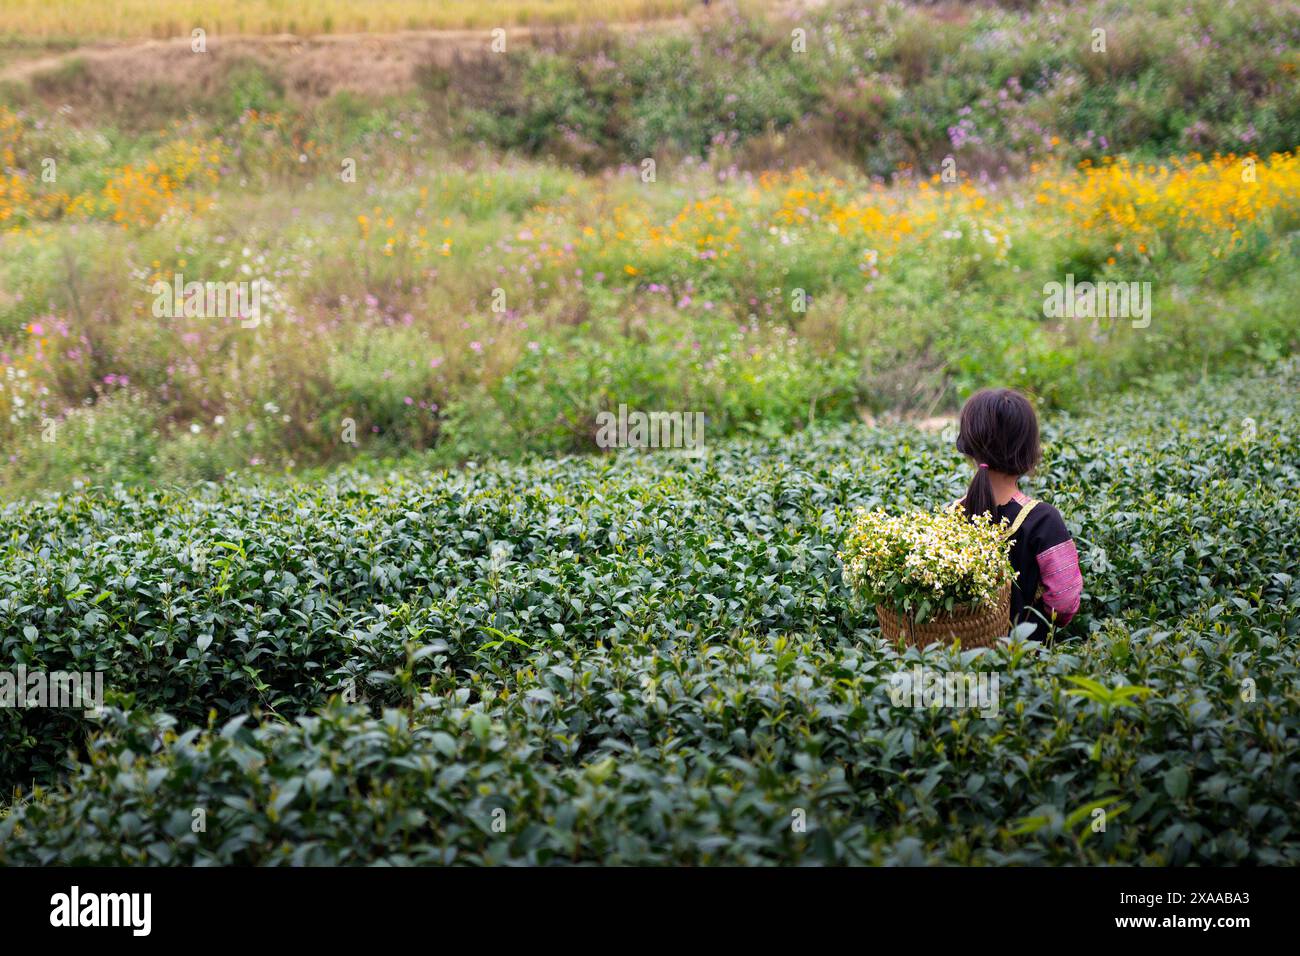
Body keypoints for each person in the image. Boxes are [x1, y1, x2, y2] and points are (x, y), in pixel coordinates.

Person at [953, 388, 1082, 640]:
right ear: (1028, 449)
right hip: (1023, 662)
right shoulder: (1044, 521)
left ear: (967, 447)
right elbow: (1065, 602)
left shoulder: (950, 514)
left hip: (957, 658)